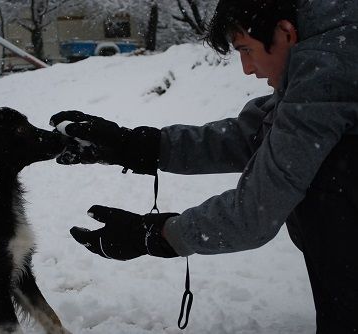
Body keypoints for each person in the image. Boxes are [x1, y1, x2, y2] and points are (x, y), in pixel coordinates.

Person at [49, 0, 358, 332]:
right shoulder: (328, 53)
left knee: (327, 180)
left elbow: (256, 210)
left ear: (285, 32)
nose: (247, 69)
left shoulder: (329, 70)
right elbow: (249, 136)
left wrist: (155, 235)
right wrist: (133, 146)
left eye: (246, 50)